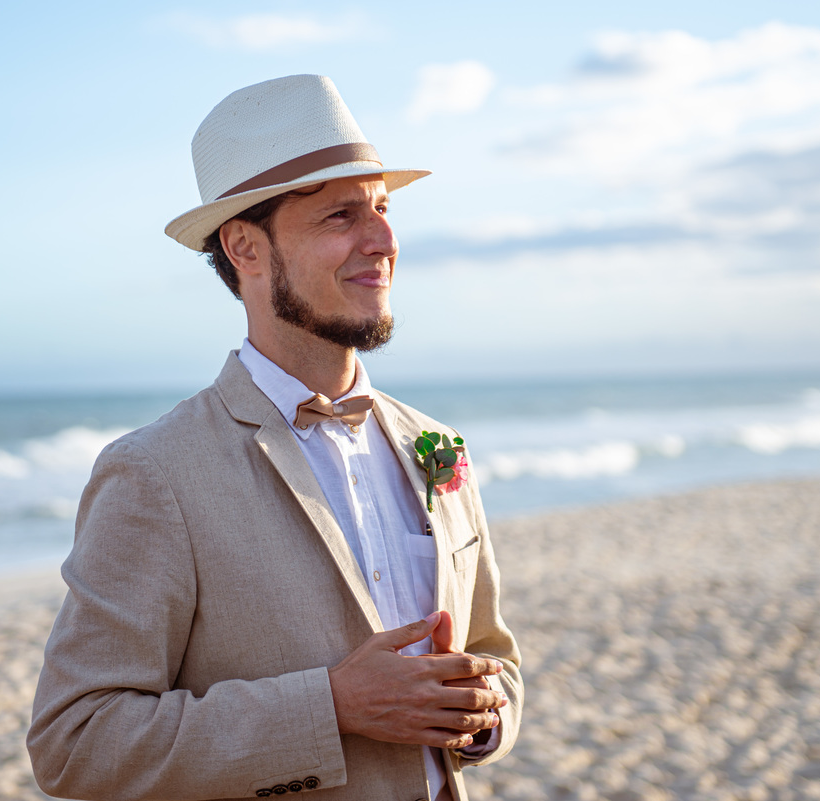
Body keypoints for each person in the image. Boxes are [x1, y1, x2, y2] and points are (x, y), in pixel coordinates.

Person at [29, 74, 522, 801]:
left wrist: (480, 716)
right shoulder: (154, 473)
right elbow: (76, 741)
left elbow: (493, 656)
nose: (382, 239)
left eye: (382, 209)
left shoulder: (435, 444)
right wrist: (333, 706)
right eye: (340, 216)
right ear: (245, 248)